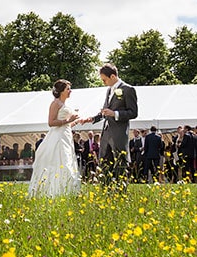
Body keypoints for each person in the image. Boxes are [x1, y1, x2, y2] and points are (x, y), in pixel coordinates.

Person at [28, 79, 90, 198]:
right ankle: (53, 190)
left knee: (67, 160)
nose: (70, 91)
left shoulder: (65, 105)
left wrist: (77, 121)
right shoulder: (55, 103)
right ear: (61, 91)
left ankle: (67, 189)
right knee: (60, 160)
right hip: (58, 137)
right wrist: (69, 120)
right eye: (68, 89)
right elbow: (51, 122)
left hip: (66, 136)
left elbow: (67, 124)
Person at [90, 63, 138, 191]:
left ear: (112, 76)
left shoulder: (128, 89)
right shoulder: (109, 90)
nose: (104, 82)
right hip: (106, 133)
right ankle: (105, 191)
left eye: (104, 80)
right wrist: (93, 119)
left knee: (120, 164)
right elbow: (106, 111)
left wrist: (115, 114)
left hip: (119, 134)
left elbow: (133, 112)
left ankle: (120, 192)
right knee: (104, 163)